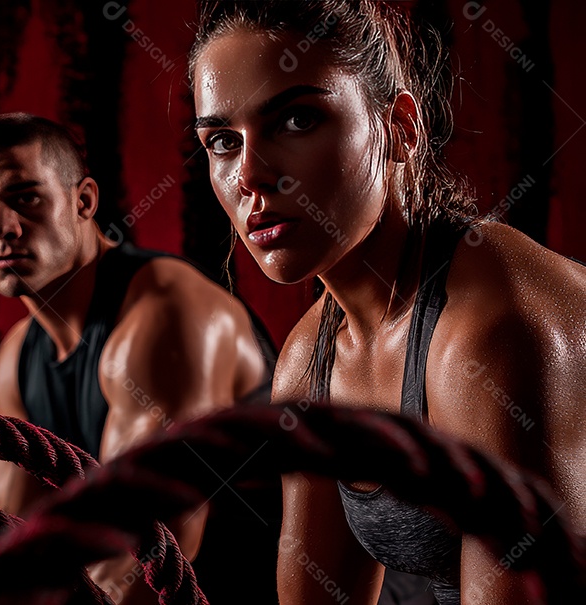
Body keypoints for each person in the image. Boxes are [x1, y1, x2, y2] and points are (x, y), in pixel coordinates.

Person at [188, 1, 586, 604]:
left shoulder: (491, 333)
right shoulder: (308, 363)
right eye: (221, 140)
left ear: (399, 127)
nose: (250, 174)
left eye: (295, 120)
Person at [0, 113, 281, 603]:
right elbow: (0, 548)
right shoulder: (16, 358)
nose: (1, 227)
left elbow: (143, 564)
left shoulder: (166, 315)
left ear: (84, 201)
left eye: (25, 197)